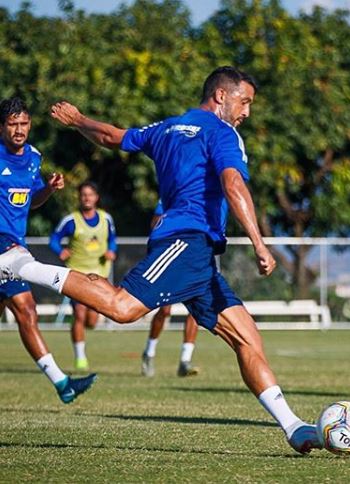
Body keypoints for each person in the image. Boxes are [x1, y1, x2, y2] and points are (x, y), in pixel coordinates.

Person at [0, 67, 322, 454]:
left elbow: (111, 137)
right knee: (122, 308)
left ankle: (294, 426)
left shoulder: (167, 128)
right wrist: (260, 243)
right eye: (245, 101)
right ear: (221, 96)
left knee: (248, 339)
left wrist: (78, 119)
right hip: (184, 241)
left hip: (200, 258)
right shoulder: (222, 133)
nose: (247, 112)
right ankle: (21, 266)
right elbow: (233, 183)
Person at [0, 96, 96, 403]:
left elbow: (31, 200)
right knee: (27, 309)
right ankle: (62, 383)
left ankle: (63, 384)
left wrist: (48, 190)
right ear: (1, 127)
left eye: (24, 123)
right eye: (12, 124)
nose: (19, 130)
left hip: (16, 244)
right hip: (5, 247)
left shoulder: (33, 157)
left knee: (26, 313)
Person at [49, 181, 117, 370]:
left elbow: (112, 240)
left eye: (91, 194)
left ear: (97, 197)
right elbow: (53, 239)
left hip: (99, 274)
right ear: (79, 197)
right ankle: (80, 358)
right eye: (83, 194)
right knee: (79, 313)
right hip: (77, 274)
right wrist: (60, 250)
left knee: (92, 320)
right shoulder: (71, 220)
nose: (87, 198)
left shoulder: (106, 219)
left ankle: (84, 332)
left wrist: (112, 251)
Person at [141, 201, 200, 378]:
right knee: (165, 310)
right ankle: (149, 353)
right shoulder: (170, 196)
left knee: (196, 309)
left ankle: (185, 360)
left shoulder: (204, 196)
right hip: (171, 256)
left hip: (193, 258)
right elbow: (155, 224)